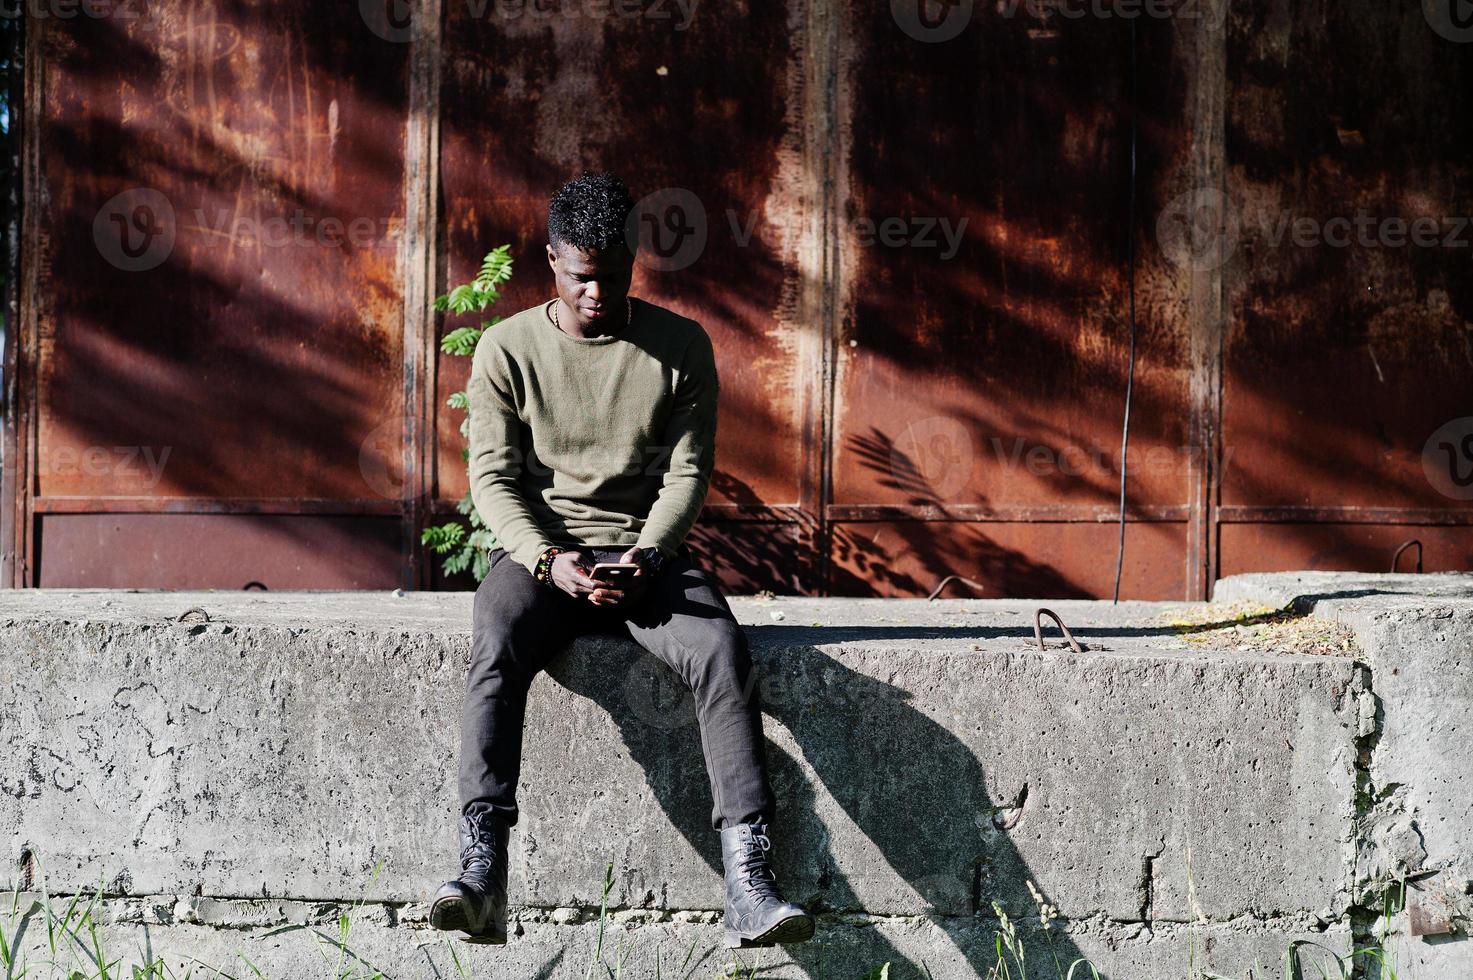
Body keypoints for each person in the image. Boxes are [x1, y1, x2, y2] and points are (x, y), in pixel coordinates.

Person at [428, 172, 814, 950]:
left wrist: (647, 554)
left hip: (645, 557)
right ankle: (481, 871)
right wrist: (545, 561)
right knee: (495, 637)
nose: (596, 293)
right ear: (551, 263)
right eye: (579, 277)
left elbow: (686, 474)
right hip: (544, 556)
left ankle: (748, 878)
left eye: (611, 276)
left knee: (719, 650)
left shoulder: (678, 346)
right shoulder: (507, 349)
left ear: (633, 261)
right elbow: (492, 480)